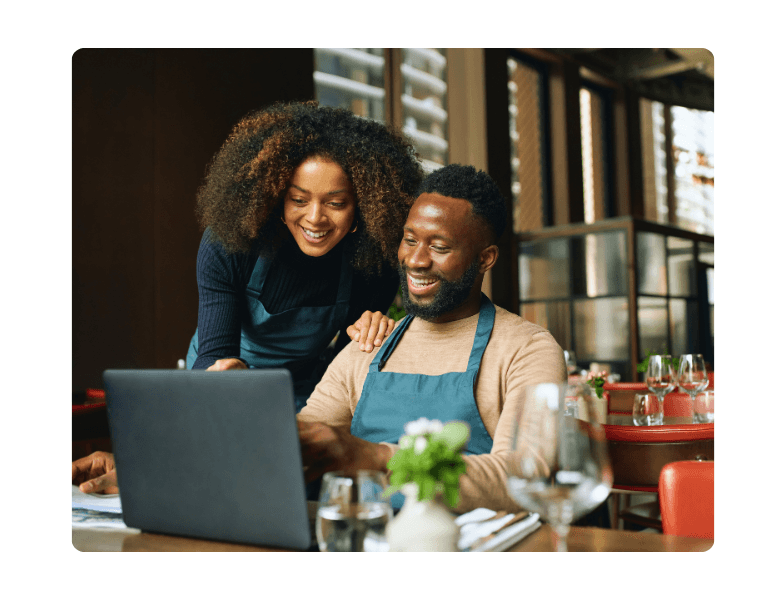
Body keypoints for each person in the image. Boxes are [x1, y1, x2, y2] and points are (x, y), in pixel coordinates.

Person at [73, 165, 566, 513]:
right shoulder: (369, 344)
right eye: (410, 240)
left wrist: (371, 457)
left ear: (486, 258)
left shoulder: (525, 348)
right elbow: (285, 448)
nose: (416, 260)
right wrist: (148, 466)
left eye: (439, 247)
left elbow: (524, 476)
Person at [186, 101, 423, 410]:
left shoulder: (373, 263)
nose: (314, 218)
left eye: (336, 203)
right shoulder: (230, 244)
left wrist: (369, 337)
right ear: (276, 197)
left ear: (363, 208)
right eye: (298, 199)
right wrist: (225, 373)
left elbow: (343, 372)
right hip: (221, 382)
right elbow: (213, 354)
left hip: (303, 390)